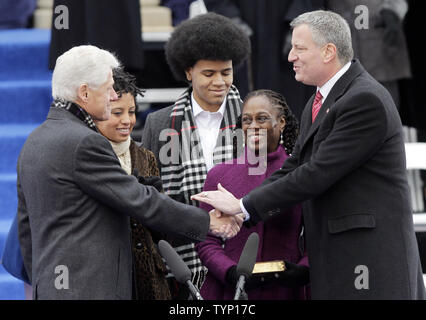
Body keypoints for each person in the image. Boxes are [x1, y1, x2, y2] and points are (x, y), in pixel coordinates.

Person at [193, 10, 426, 299]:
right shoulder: (320, 100)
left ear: (328, 52)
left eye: (299, 48)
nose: (291, 56)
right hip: (338, 260)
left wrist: (242, 206)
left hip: (367, 262)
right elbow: (294, 166)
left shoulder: (364, 100)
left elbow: (315, 174)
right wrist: (243, 209)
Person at [17, 45, 241, 300]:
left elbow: (27, 233)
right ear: (84, 92)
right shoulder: (84, 142)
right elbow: (139, 200)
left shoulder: (34, 141)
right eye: (109, 88)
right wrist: (207, 221)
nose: (114, 95)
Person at [141, 12, 250, 297]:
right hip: (185, 267)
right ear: (188, 72)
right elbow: (154, 194)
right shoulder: (160, 123)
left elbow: (269, 183)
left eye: (226, 72)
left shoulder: (255, 117)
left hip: (247, 259)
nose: (220, 82)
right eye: (209, 73)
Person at [195, 89, 310, 300]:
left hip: (286, 291)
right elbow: (205, 240)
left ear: (281, 122)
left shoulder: (303, 174)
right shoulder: (219, 175)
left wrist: (303, 270)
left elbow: (317, 236)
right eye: (247, 120)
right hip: (228, 291)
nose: (253, 126)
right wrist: (229, 271)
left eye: (262, 118)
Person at [94, 67, 171, 300]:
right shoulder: (87, 156)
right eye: (117, 113)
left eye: (132, 111)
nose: (127, 121)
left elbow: (161, 228)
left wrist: (160, 200)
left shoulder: (146, 156)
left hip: (148, 278)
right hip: (107, 276)